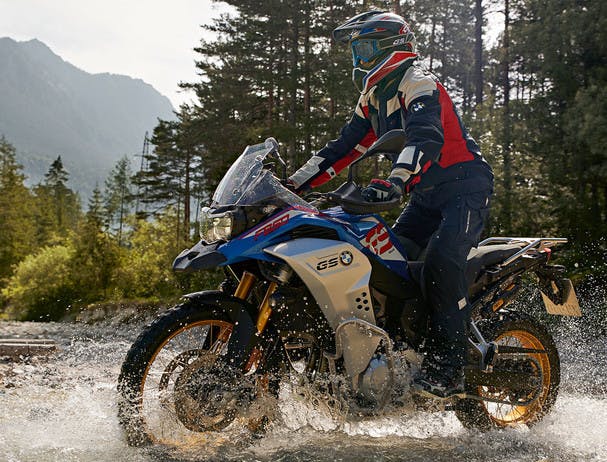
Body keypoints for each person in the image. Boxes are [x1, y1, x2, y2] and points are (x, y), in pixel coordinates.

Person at [288, 11, 494, 398]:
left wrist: (394, 180)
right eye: (355, 51)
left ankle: (449, 369)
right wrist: (291, 185)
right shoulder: (372, 98)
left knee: (441, 263)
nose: (358, 60)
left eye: (363, 49)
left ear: (392, 47)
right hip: (425, 196)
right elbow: (343, 148)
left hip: (465, 186)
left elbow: (425, 138)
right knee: (386, 265)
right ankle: (403, 350)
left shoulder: (419, 83)